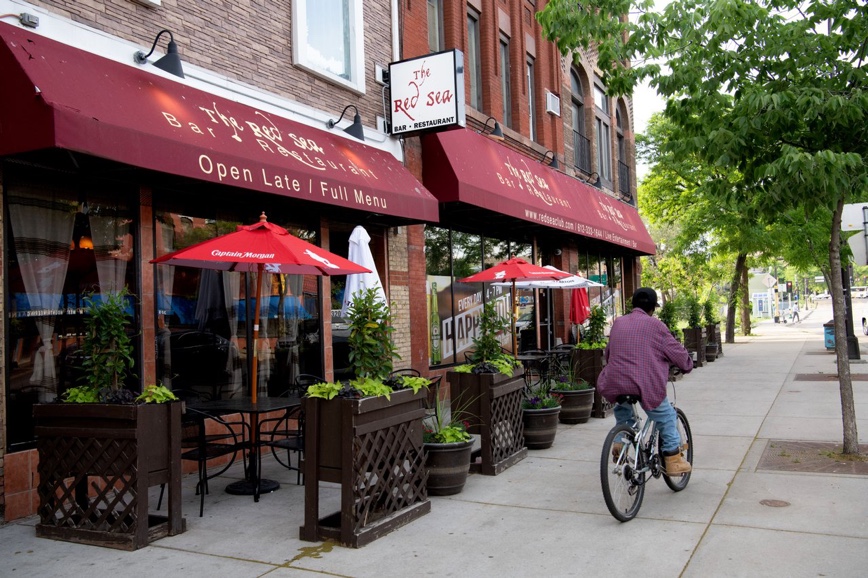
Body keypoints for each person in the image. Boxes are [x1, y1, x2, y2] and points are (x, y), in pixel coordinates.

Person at [596, 288, 694, 475]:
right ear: (653, 308)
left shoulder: (618, 323)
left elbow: (609, 352)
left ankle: (620, 443)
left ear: (633, 305)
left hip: (615, 381)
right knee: (666, 416)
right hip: (643, 383)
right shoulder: (656, 326)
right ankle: (673, 460)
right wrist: (687, 364)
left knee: (623, 411)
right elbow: (676, 352)